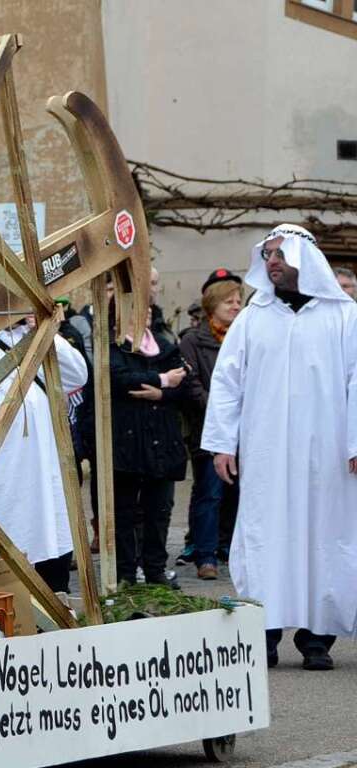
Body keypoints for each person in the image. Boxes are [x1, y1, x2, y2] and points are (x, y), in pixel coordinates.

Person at [203, 224, 357, 671]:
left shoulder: (343, 317)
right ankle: (263, 634)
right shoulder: (254, 317)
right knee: (265, 536)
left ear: (303, 260)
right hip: (266, 450)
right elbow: (228, 383)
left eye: (279, 254)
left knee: (326, 537)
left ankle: (316, 639)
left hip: (327, 456)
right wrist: (221, 444)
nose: (271, 261)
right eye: (267, 254)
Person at [0, 318, 89, 592]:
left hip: (44, 465)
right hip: (2, 467)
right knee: (7, 546)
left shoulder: (36, 336)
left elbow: (77, 374)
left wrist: (44, 328)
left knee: (51, 534)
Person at [109, 302, 188, 588]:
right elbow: (120, 380)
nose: (147, 315)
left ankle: (155, 571)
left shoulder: (166, 347)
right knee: (125, 514)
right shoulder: (114, 348)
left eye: (150, 312)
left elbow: (185, 386)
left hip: (162, 443)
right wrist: (162, 379)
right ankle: (126, 575)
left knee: (159, 512)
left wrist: (161, 394)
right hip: (127, 445)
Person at [178, 269, 243, 580]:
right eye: (229, 301)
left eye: (238, 301)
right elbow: (191, 386)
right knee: (210, 491)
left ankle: (227, 546)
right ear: (212, 304)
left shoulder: (244, 336)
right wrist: (224, 411)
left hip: (243, 430)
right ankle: (205, 555)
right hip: (208, 431)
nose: (236, 306)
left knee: (236, 492)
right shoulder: (193, 340)